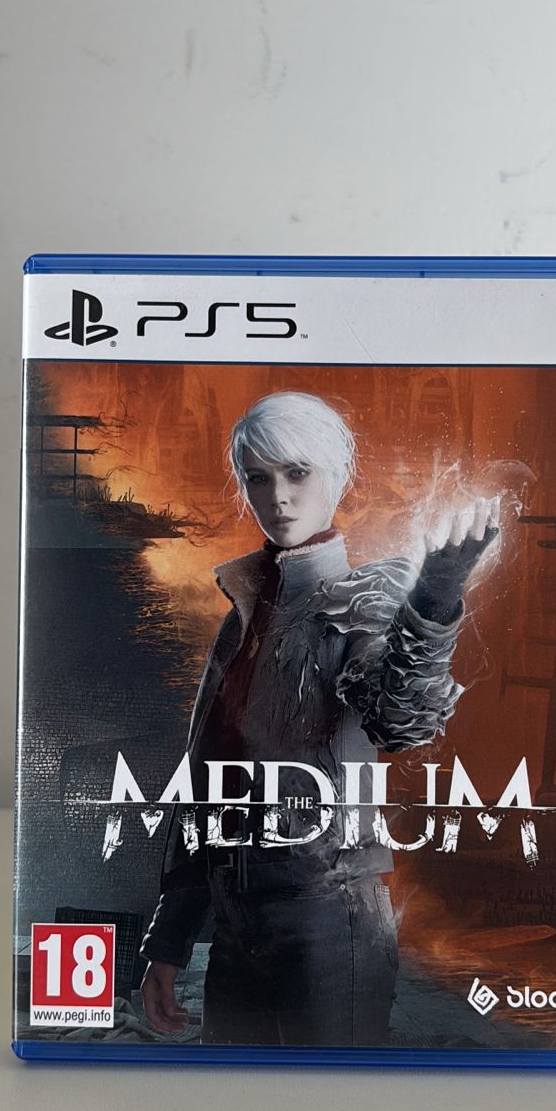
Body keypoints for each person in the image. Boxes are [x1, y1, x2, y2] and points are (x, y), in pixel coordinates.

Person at [140, 390, 498, 1046]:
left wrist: (433, 603)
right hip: (234, 923)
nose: (278, 496)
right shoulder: (240, 620)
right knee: (231, 1095)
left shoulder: (369, 599)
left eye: (297, 473)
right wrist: (168, 941)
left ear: (336, 476)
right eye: (258, 477)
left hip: (331, 918)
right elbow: (201, 786)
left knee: (337, 1096)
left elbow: (398, 720)